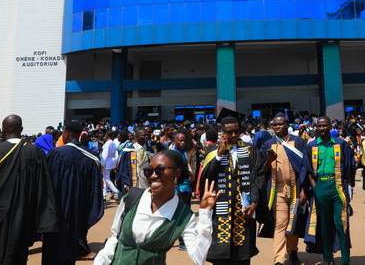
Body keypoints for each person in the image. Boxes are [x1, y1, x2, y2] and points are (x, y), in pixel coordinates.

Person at [94, 150, 219, 265]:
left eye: (160, 170)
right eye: (148, 171)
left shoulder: (183, 215)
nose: (153, 176)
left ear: (177, 172)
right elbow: (116, 236)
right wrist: (101, 261)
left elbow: (199, 258)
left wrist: (205, 213)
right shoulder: (132, 198)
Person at [0, 114, 59, 265]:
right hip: (23, 214)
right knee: (17, 252)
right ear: (21, 129)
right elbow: (43, 186)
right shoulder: (35, 153)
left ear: (3, 130)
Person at [201, 115, 264, 265]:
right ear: (221, 132)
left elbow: (258, 177)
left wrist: (254, 202)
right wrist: (219, 154)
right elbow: (207, 177)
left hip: (243, 207)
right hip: (220, 207)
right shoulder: (211, 150)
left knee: (242, 253)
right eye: (229, 132)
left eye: (237, 131)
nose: (234, 135)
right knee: (220, 252)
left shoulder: (250, 149)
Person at [43, 120, 104, 265]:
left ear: (67, 134)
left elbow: (48, 185)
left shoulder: (57, 153)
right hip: (78, 212)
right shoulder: (90, 157)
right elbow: (94, 190)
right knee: (71, 246)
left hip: (57, 211)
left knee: (53, 249)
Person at [302, 116, 356, 265]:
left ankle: (345, 259)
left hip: (338, 186)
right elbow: (307, 169)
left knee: (342, 223)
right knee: (324, 225)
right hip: (321, 187)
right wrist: (315, 188)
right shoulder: (311, 146)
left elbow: (350, 166)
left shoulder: (341, 144)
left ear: (330, 126)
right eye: (319, 126)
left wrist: (349, 188)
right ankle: (328, 258)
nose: (322, 128)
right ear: (316, 128)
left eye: (325, 126)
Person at [259, 113, 307, 265]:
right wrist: (269, 161)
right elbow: (262, 170)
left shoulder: (298, 142)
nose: (277, 127)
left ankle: (292, 252)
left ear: (287, 125)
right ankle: (278, 260)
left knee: (293, 222)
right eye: (275, 125)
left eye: (280, 124)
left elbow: (305, 167)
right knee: (280, 223)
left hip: (295, 188)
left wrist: (304, 189)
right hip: (276, 189)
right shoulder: (268, 144)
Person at [116, 127, 153, 193]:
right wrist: (126, 183)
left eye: (147, 135)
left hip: (146, 182)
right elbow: (123, 168)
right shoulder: (129, 150)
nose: (146, 137)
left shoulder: (150, 150)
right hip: (133, 182)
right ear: (137, 137)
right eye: (144, 135)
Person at [101, 131, 120, 201]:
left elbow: (105, 155)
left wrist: (101, 163)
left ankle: (116, 191)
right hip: (110, 162)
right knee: (106, 178)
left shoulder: (108, 143)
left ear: (107, 135)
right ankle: (104, 194)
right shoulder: (112, 143)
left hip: (106, 162)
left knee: (106, 179)